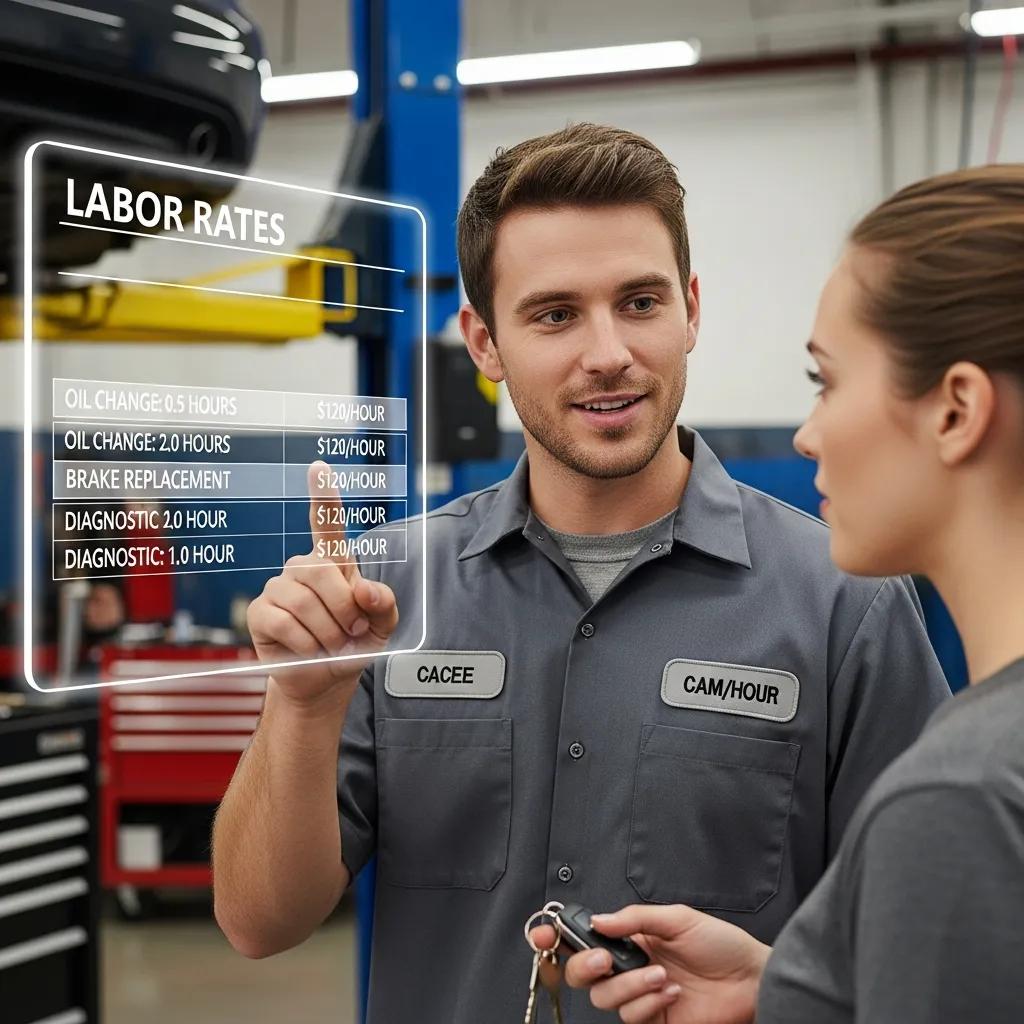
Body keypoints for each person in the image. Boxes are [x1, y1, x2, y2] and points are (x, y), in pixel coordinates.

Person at [211, 124, 950, 1023]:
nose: (607, 352)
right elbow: (257, 923)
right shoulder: (387, 593)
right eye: (555, 314)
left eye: (639, 302)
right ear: (483, 344)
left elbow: (932, 949)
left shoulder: (847, 604)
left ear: (691, 310)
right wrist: (301, 707)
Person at [554, 163, 1024, 1023]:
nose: (807, 435)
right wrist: (791, 989)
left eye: (827, 381)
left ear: (956, 410)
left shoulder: (960, 796)